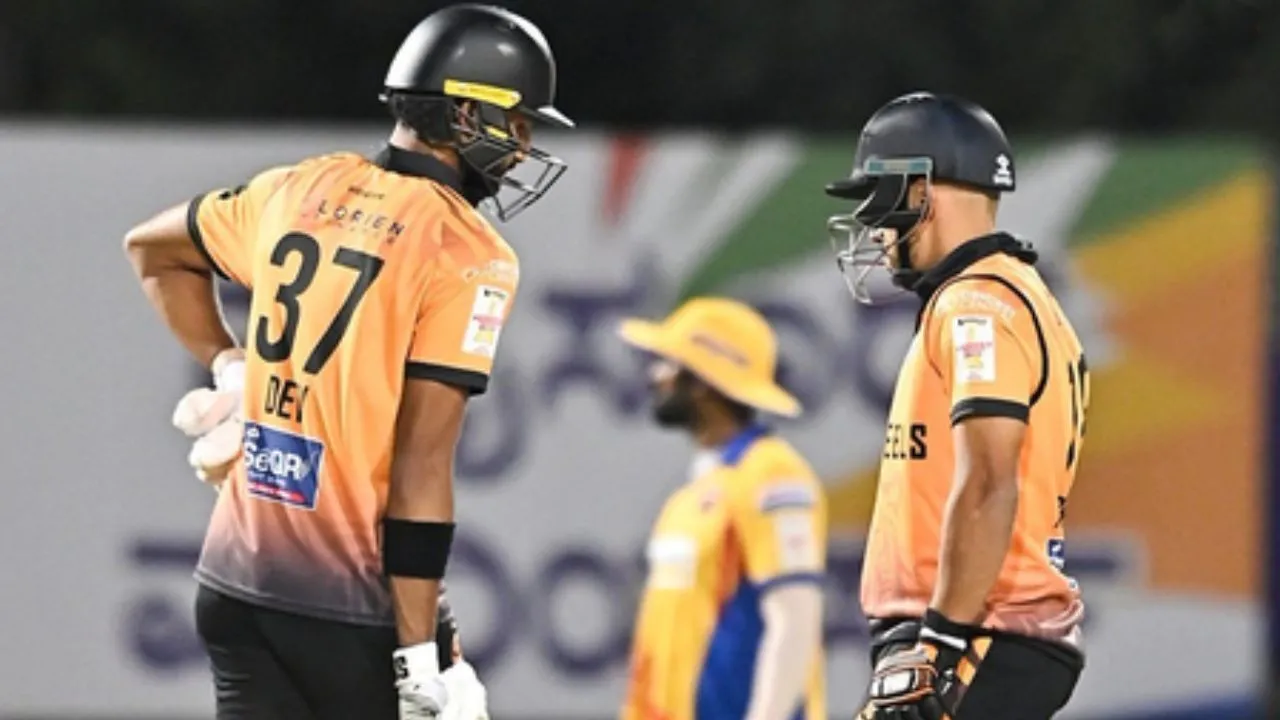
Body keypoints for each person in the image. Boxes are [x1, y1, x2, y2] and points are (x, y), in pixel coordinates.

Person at [123, 4, 572, 718]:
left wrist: (229, 365)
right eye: (516, 124)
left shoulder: (299, 186)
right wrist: (420, 655)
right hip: (348, 607)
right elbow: (421, 470)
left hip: (234, 581)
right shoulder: (467, 250)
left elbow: (152, 250)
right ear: (465, 113)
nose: (522, 149)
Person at [824, 91, 1090, 720]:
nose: (873, 224)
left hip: (975, 631)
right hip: (979, 631)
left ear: (919, 190)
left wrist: (941, 640)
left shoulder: (976, 303)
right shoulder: (1005, 294)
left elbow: (990, 479)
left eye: (878, 197)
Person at [615, 297, 828, 720]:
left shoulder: (772, 474)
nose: (656, 376)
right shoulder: (688, 499)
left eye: (669, 364)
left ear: (702, 382)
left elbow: (794, 615)